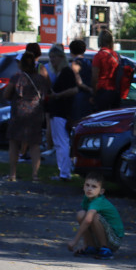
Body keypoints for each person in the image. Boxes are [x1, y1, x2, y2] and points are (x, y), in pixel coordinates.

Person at [3, 51, 51, 183]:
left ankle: (12, 174)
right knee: (35, 145)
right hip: (35, 114)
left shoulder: (17, 78)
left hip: (18, 113)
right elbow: (47, 92)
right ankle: (35, 175)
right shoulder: (40, 79)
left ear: (22, 64)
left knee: (14, 143)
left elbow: (6, 94)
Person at [66, 170, 124, 259]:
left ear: (101, 191)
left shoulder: (98, 201)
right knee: (81, 214)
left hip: (114, 240)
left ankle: (105, 249)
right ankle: (91, 247)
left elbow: (88, 220)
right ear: (83, 186)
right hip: (103, 235)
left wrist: (75, 241)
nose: (89, 189)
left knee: (94, 217)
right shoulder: (87, 198)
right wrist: (85, 244)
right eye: (87, 185)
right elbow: (85, 222)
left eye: (94, 186)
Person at [45, 44, 77, 181]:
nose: (52, 60)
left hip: (61, 110)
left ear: (61, 57)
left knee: (61, 142)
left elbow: (74, 90)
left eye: (54, 57)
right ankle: (63, 170)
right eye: (50, 57)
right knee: (60, 141)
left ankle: (64, 173)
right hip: (57, 110)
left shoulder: (66, 72)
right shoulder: (61, 72)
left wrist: (57, 95)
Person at [91, 29, 121, 112]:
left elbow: (94, 78)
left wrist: (93, 94)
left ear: (99, 41)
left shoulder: (99, 56)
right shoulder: (116, 55)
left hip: (102, 91)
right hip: (114, 92)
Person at [68, 39, 93, 127]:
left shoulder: (74, 64)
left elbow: (78, 82)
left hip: (78, 97)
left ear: (71, 51)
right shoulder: (89, 62)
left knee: (77, 124)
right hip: (89, 98)